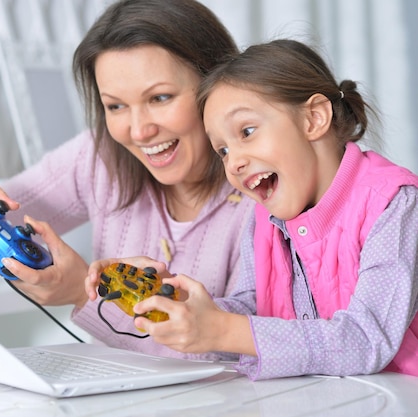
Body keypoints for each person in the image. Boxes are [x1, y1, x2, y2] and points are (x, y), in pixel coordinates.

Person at [0, 0, 254, 359]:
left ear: (217, 84)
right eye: (115, 106)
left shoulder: (266, 188)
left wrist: (83, 294)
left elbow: (226, 355)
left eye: (160, 98)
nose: (139, 130)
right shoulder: (101, 159)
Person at [86, 39, 418, 379]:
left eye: (246, 131)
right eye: (223, 150)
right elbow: (253, 311)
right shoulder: (264, 220)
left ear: (313, 118)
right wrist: (185, 304)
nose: (234, 163)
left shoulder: (394, 203)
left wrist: (224, 330)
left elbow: (366, 339)